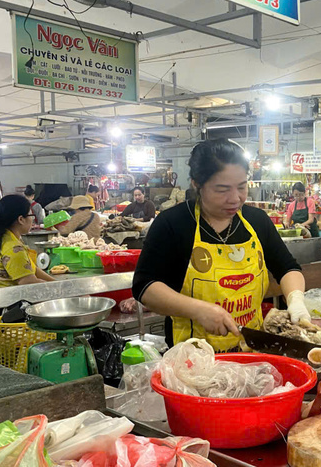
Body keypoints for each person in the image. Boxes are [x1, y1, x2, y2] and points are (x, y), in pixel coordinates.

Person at [132, 139, 309, 352]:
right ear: (197, 185)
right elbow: (145, 287)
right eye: (222, 190)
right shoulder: (173, 223)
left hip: (252, 351)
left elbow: (288, 268)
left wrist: (296, 300)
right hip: (192, 358)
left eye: (242, 187)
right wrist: (198, 310)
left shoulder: (257, 221)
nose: (235, 198)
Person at [0, 195, 56, 290]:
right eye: (31, 215)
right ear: (21, 219)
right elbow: (29, 283)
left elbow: (31, 269)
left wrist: (56, 283)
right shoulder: (13, 248)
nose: (32, 220)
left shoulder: (5, 238)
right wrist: (55, 288)